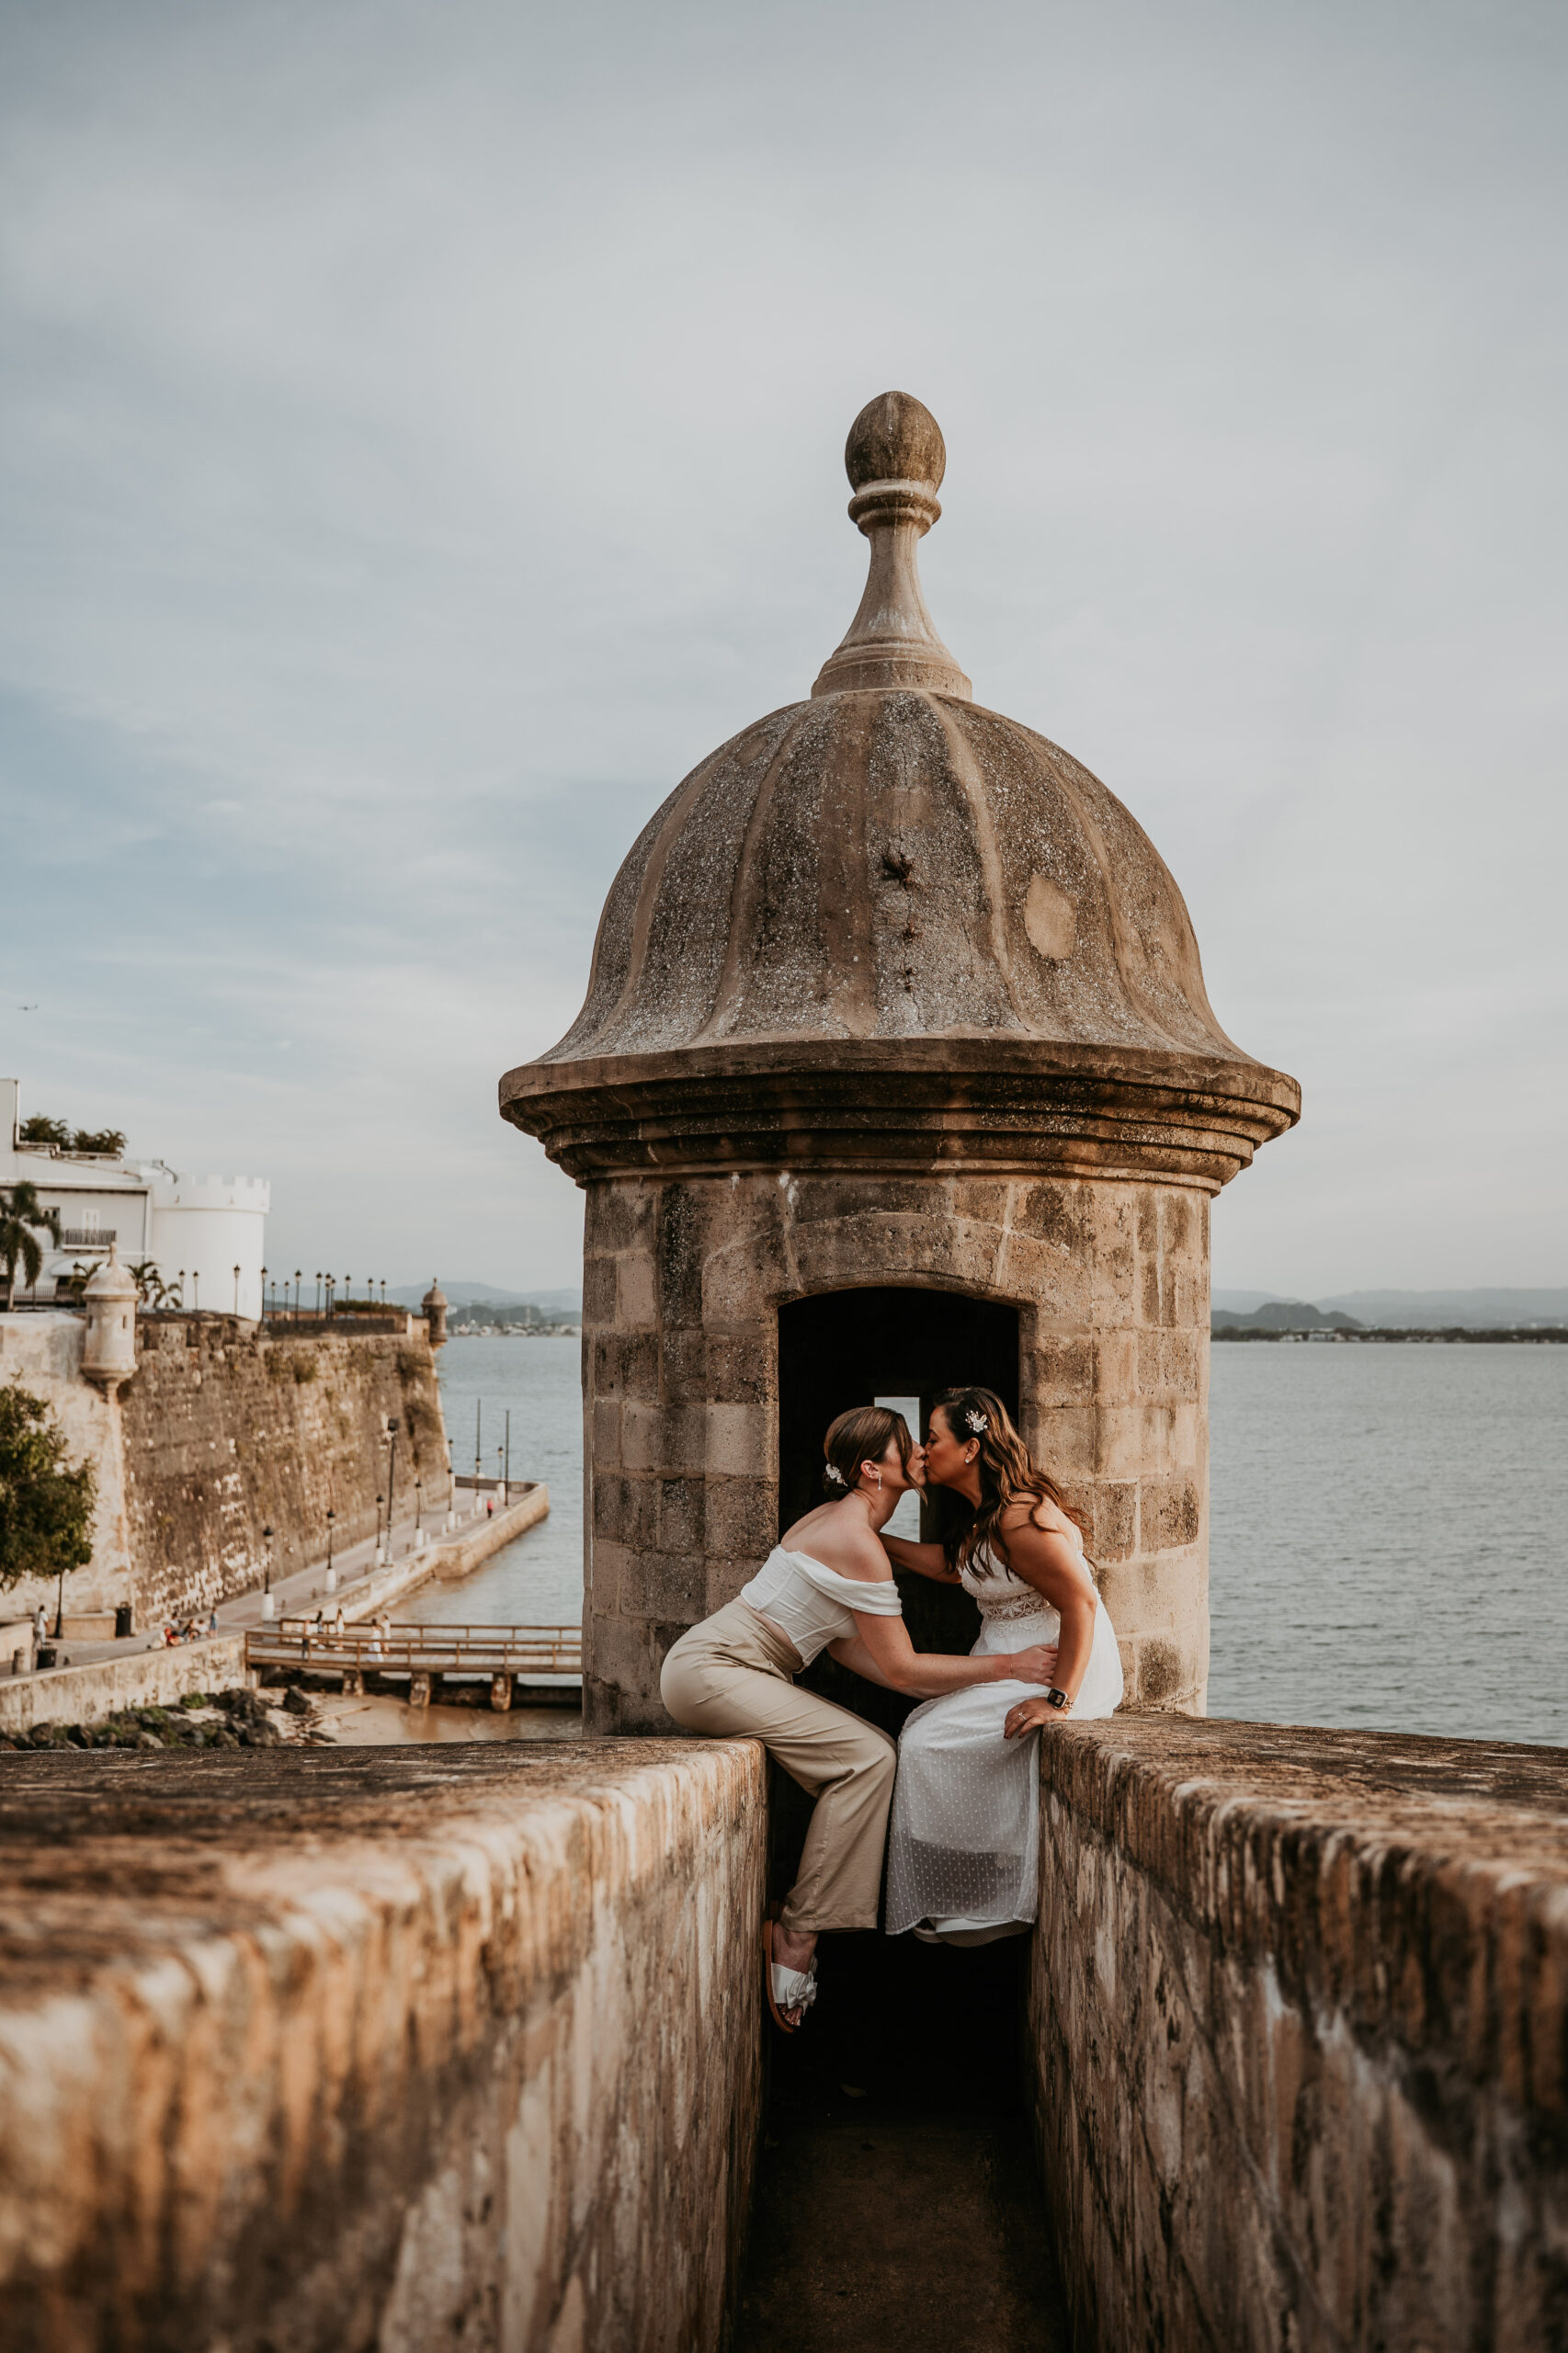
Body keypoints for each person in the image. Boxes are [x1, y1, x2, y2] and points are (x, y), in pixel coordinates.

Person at [659, 1405, 1061, 2032]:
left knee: (876, 1750)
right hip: (715, 1668)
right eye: (911, 1446)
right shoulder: (854, 1538)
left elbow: (862, 1655)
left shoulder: (849, 1527)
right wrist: (1010, 1665)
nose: (924, 1454)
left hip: (730, 1667)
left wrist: (949, 1696)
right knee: (868, 1760)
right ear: (873, 1469)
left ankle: (815, 1919)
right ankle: (797, 1932)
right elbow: (901, 1670)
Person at [881, 1387, 1124, 1947]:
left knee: (925, 1742)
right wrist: (875, 1539)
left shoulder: (1019, 1517)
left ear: (969, 1449)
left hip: (1053, 1665)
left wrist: (1057, 1701)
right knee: (921, 1730)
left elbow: (1081, 1603)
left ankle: (989, 1895)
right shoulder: (987, 1515)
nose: (923, 1450)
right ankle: (977, 1888)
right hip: (1011, 1657)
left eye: (933, 1439)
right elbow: (953, 1567)